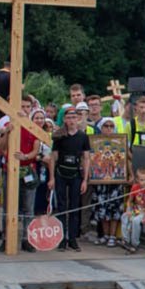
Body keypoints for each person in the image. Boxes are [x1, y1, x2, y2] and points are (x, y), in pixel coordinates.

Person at [49, 106, 91, 252]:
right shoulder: (59, 136)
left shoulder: (83, 136)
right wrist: (52, 177)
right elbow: (53, 157)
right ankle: (61, 239)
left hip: (75, 174)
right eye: (68, 118)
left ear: (77, 119)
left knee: (74, 206)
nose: (71, 120)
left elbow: (86, 158)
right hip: (61, 173)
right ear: (65, 120)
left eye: (74, 117)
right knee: (61, 206)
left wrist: (85, 179)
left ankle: (72, 238)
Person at [121, 165, 145, 251]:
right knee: (124, 216)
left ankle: (135, 243)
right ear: (137, 180)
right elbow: (129, 201)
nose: (144, 182)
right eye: (142, 180)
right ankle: (126, 240)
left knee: (135, 221)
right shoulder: (135, 187)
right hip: (137, 210)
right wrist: (128, 210)